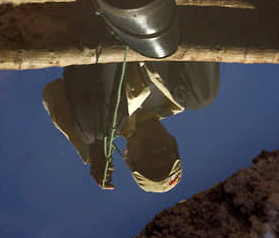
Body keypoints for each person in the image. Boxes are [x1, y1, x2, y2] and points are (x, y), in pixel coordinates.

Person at [42, 60, 219, 192]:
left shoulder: (106, 122)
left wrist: (93, 147)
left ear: (128, 159)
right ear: (173, 143)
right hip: (155, 26)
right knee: (199, 99)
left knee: (94, 130)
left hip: (103, 39)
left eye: (148, 158)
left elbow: (52, 93)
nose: (156, 150)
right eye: (165, 153)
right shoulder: (184, 98)